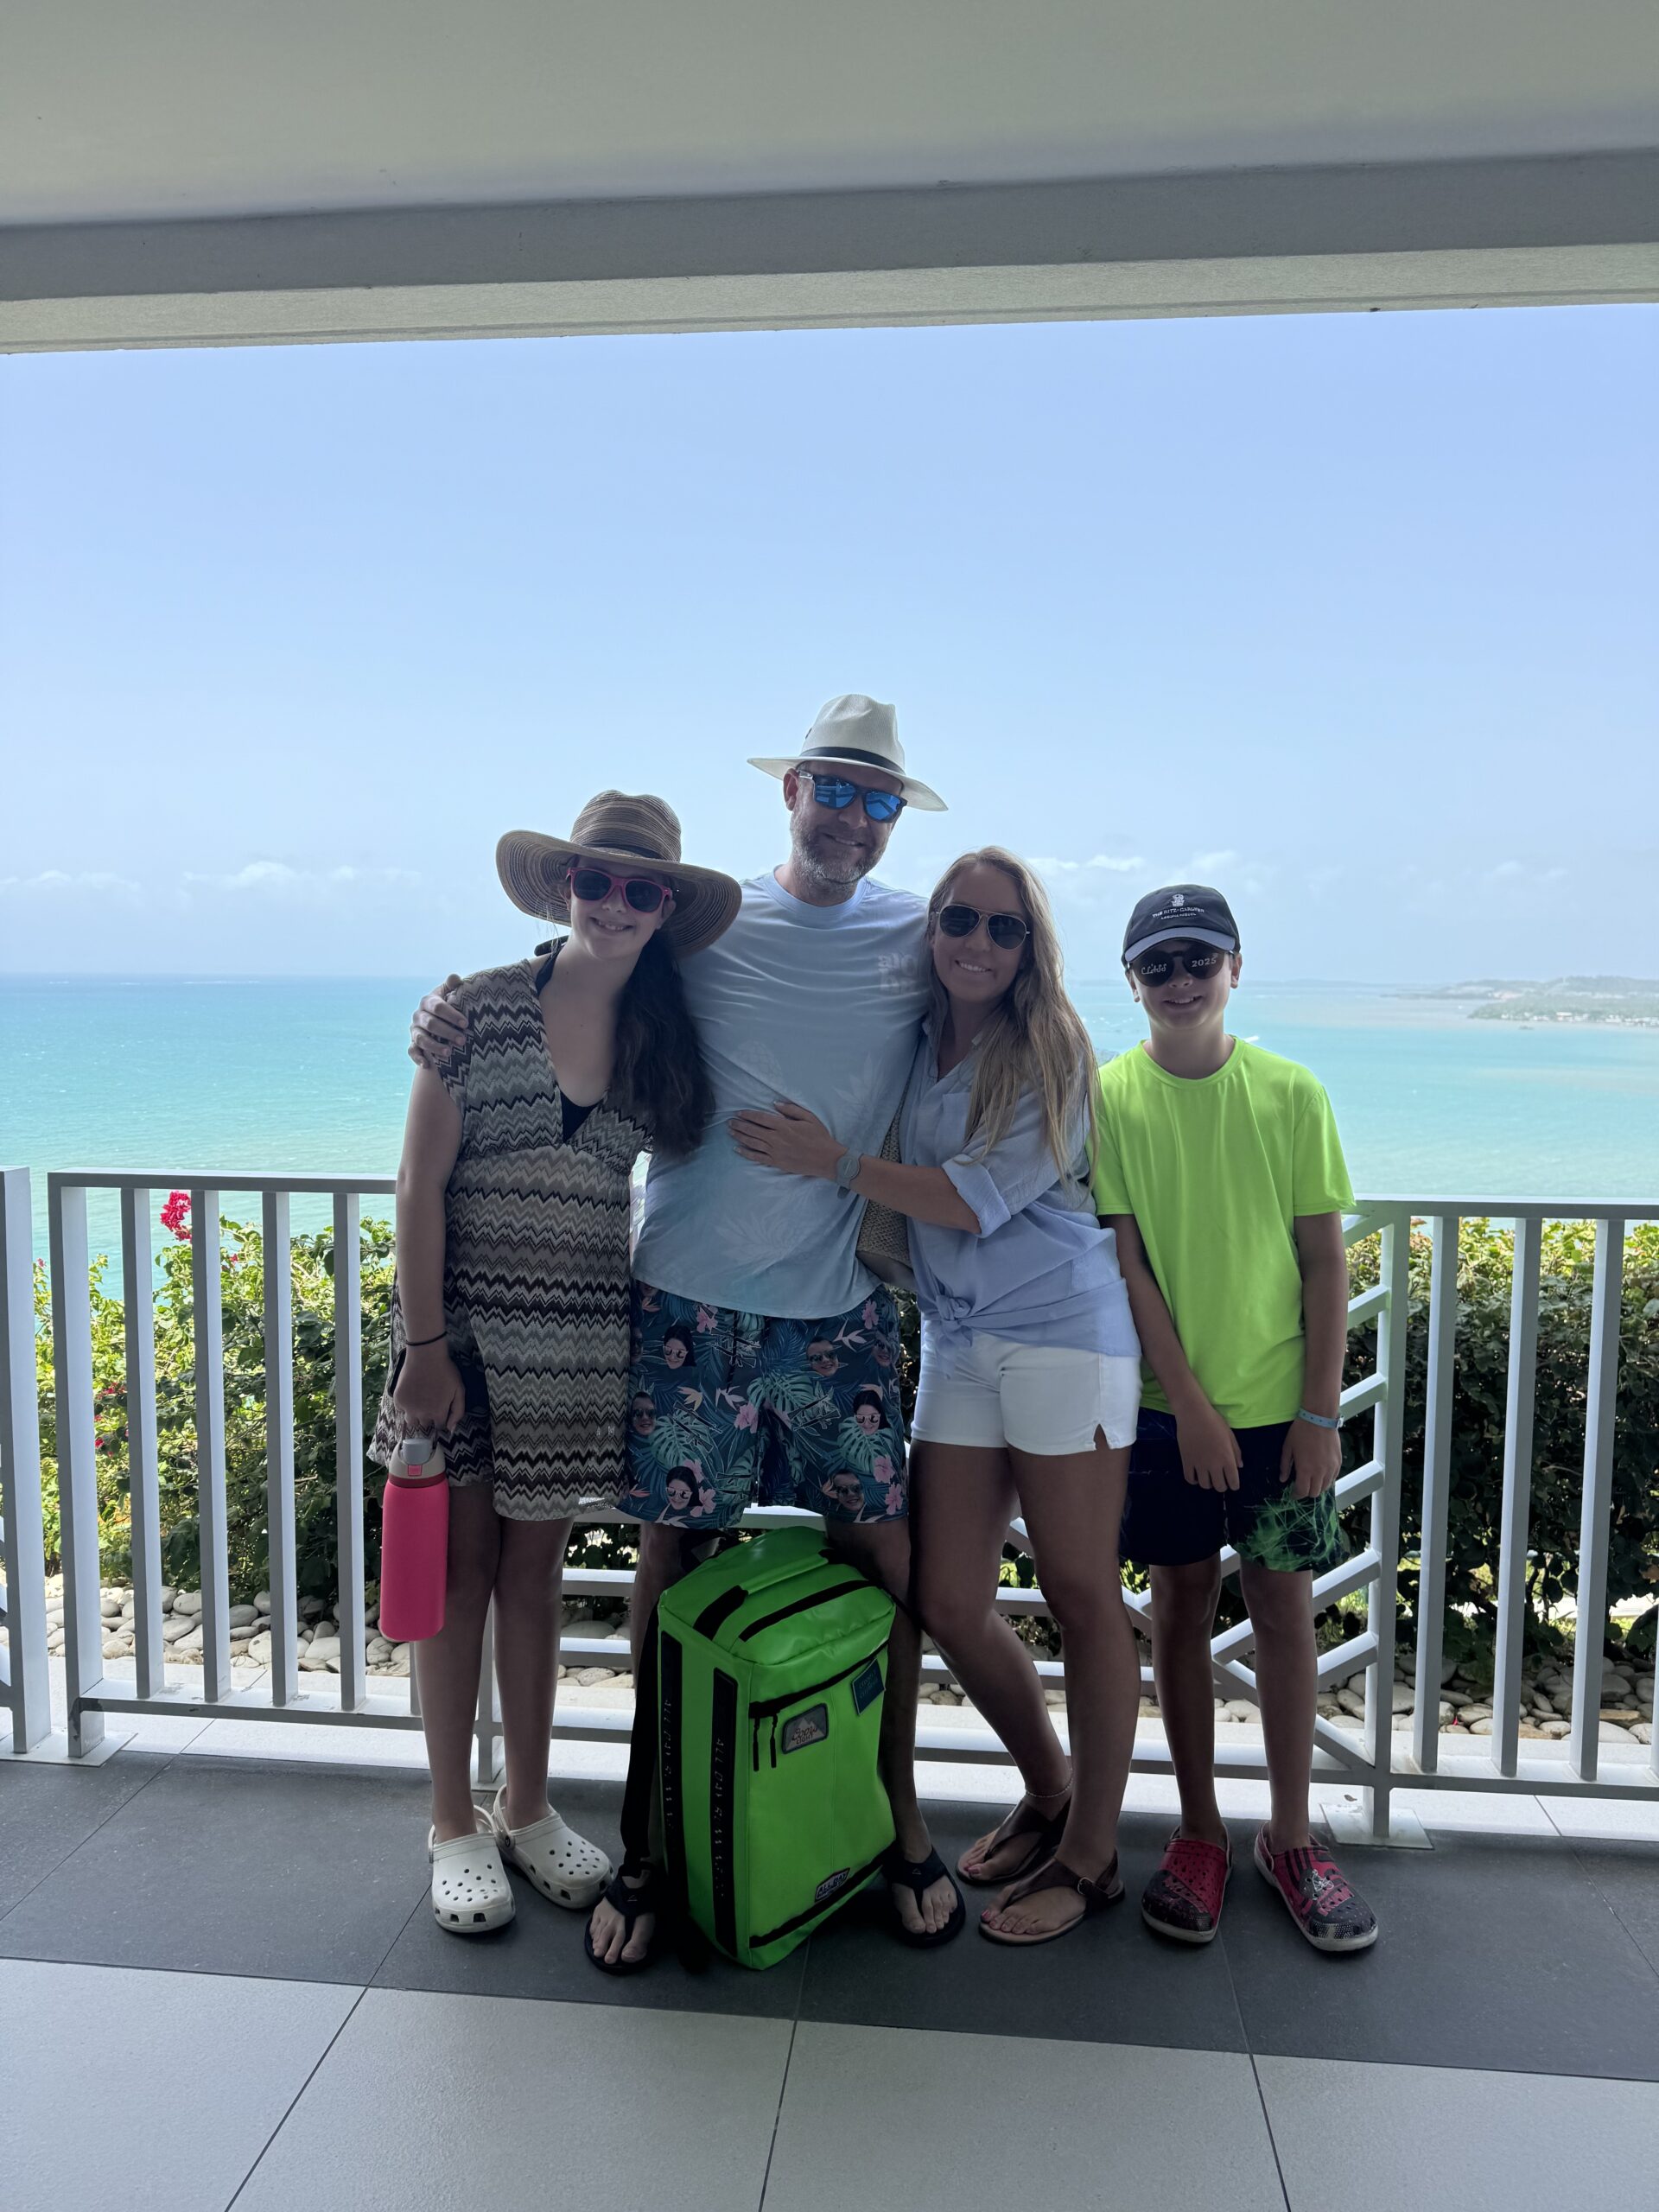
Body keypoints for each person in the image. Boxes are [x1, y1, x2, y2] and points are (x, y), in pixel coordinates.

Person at [410, 695, 963, 1968]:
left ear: (895, 818)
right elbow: (565, 982)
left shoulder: (914, 933)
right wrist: (445, 1016)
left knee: (887, 1562)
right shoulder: (700, 934)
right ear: (791, 792)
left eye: (879, 798)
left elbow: (1007, 1000)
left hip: (838, 1314)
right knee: (669, 1569)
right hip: (684, 1310)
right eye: (835, 788)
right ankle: (650, 1843)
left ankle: (895, 1817)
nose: (854, 816)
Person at [734, 848, 1144, 1944]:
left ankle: (1093, 1855)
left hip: (1064, 1338)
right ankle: (1051, 1789)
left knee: (1079, 1589)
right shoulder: (913, 1038)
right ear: (932, 931)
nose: (976, 941)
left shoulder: (1052, 1048)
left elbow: (971, 1202)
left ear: (1030, 947)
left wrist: (830, 1163)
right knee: (947, 1596)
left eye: (1003, 927)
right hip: (958, 1340)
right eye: (958, 918)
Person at [374, 791, 741, 1936]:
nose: (615, 904)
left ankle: (526, 1805)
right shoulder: (479, 1009)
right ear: (564, 888)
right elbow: (417, 1185)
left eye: (642, 888)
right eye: (597, 880)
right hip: (463, 1343)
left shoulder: (665, 1035)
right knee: (457, 1580)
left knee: (533, 1578)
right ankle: (451, 1818)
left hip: (581, 1342)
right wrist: (423, 1347)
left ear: (666, 906)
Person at [1090, 884, 1378, 1953]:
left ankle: (1292, 1835)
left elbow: (1325, 1261)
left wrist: (1317, 1413)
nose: (1180, 980)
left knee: (1285, 1609)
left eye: (1199, 959)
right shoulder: (1107, 1098)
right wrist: (1193, 1410)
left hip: (1281, 1417)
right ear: (1132, 982)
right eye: (1158, 964)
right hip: (1166, 1416)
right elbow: (1129, 1263)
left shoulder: (1291, 1091)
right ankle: (1200, 1830)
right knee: (1177, 1606)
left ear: (1236, 969)